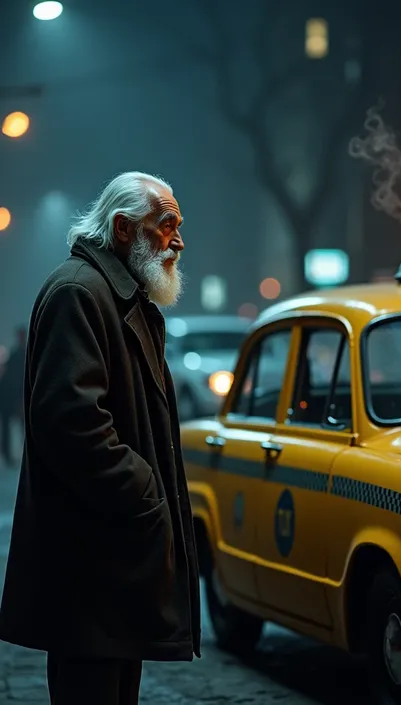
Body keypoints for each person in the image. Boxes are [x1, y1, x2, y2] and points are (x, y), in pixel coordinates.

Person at [0, 172, 201, 705]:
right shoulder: (80, 292)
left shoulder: (115, 297)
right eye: (166, 226)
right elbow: (71, 422)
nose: (178, 241)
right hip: (91, 565)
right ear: (121, 228)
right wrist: (145, 493)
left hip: (111, 560)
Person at [0, 326, 27, 467]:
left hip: (19, 396)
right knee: (12, 427)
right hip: (11, 397)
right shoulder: (16, 354)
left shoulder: (24, 354)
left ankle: (20, 455)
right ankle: (8, 455)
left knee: (24, 427)